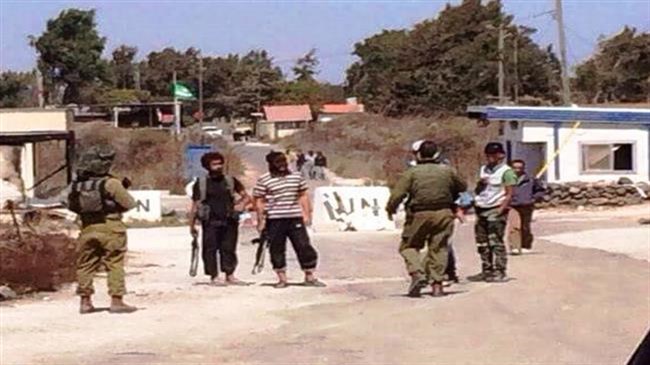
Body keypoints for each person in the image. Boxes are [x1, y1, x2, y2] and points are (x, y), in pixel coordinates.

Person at [386, 140, 467, 297]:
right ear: (436, 154)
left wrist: (391, 209)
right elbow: (462, 186)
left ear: (419, 154)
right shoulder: (448, 171)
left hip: (419, 214)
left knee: (408, 247)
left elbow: (398, 194)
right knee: (439, 248)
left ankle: (417, 273)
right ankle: (437, 286)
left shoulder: (412, 173)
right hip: (444, 213)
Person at [67, 145, 137, 314]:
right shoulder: (111, 183)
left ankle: (85, 301)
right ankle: (117, 300)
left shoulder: (77, 185)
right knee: (114, 263)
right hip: (111, 227)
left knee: (85, 265)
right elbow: (129, 204)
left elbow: (72, 206)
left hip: (87, 228)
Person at [253, 151, 325, 289]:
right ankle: (282, 278)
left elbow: (303, 195)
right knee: (277, 248)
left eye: (284, 162)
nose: (282, 166)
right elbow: (259, 200)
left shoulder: (296, 177)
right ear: (271, 164)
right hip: (274, 219)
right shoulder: (264, 179)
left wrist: (306, 214)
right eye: (278, 163)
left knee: (304, 246)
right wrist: (260, 220)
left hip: (294, 217)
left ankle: (309, 276)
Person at [189, 152, 252, 286]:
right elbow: (195, 205)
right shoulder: (201, 183)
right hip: (210, 221)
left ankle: (230, 275)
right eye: (214, 164)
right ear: (207, 166)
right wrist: (192, 225)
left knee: (229, 248)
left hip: (229, 220)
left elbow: (246, 196)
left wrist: (240, 205)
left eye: (220, 163)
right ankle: (214, 276)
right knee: (210, 249)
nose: (218, 166)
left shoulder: (230, 180)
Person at [469, 142, 517, 283]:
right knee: (482, 243)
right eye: (488, 155)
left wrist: (501, 210)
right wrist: (480, 184)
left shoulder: (506, 172)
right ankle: (487, 269)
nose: (490, 158)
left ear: (500, 155)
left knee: (495, 241)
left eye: (493, 155)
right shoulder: (484, 169)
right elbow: (478, 190)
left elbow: (509, 194)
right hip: (481, 207)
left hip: (495, 208)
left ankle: (500, 270)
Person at [507, 159, 546, 255]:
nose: (517, 170)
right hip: (513, 205)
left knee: (525, 226)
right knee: (514, 226)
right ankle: (515, 247)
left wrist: (533, 198)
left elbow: (540, 190)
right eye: (515, 168)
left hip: (527, 205)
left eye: (519, 168)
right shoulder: (507, 180)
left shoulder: (531, 179)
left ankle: (525, 245)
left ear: (523, 168)